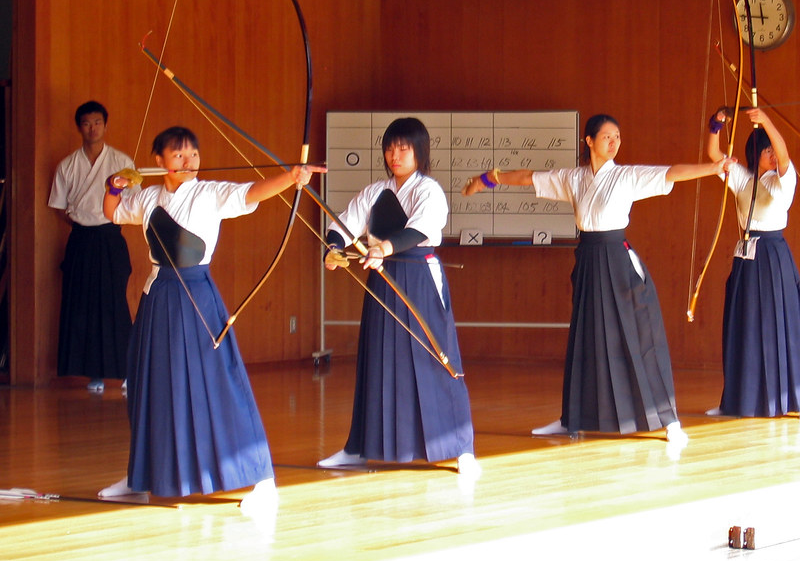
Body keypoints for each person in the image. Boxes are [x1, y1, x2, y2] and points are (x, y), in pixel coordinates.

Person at [463, 113, 733, 447]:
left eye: (617, 136)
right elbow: (529, 178)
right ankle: (571, 419)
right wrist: (488, 179)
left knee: (639, 336)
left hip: (617, 261)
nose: (614, 142)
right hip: (589, 259)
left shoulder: (626, 176)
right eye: (607, 136)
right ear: (589, 141)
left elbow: (671, 173)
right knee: (585, 339)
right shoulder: (573, 178)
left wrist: (713, 168)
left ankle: (669, 420)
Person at [98, 126, 321, 515]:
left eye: (194, 155)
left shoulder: (209, 193)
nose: (188, 162)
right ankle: (141, 477)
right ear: (159, 161)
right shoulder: (149, 197)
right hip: (159, 297)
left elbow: (251, 192)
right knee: (150, 384)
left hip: (197, 297)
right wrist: (114, 185)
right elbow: (113, 211)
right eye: (179, 155)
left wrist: (291, 177)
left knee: (220, 383)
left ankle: (263, 479)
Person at [318, 117, 480, 479]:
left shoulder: (429, 191)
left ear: (419, 152)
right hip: (383, 279)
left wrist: (385, 247)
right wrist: (334, 249)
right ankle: (359, 447)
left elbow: (421, 227)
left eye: (404, 147)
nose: (395, 154)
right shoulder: (375, 191)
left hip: (418, 276)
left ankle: (461, 449)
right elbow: (343, 224)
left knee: (435, 357)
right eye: (390, 148)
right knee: (377, 359)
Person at [705, 107, 800, 423]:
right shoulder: (743, 177)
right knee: (744, 325)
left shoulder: (784, 180)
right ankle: (739, 400)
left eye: (771, 148)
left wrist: (765, 120)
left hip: (772, 253)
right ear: (755, 152)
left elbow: (783, 158)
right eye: (764, 148)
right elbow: (714, 153)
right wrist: (717, 123)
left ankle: (798, 400)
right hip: (746, 255)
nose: (771, 153)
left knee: (782, 324)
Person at [47, 101, 134, 393]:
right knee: (81, 306)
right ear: (79, 127)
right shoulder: (67, 165)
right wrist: (81, 225)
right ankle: (92, 373)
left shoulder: (122, 162)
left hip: (110, 239)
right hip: (81, 239)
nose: (92, 128)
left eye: (97, 122)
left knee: (114, 304)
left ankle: (125, 372)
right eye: (86, 123)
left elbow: (134, 203)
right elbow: (59, 207)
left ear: (105, 126)